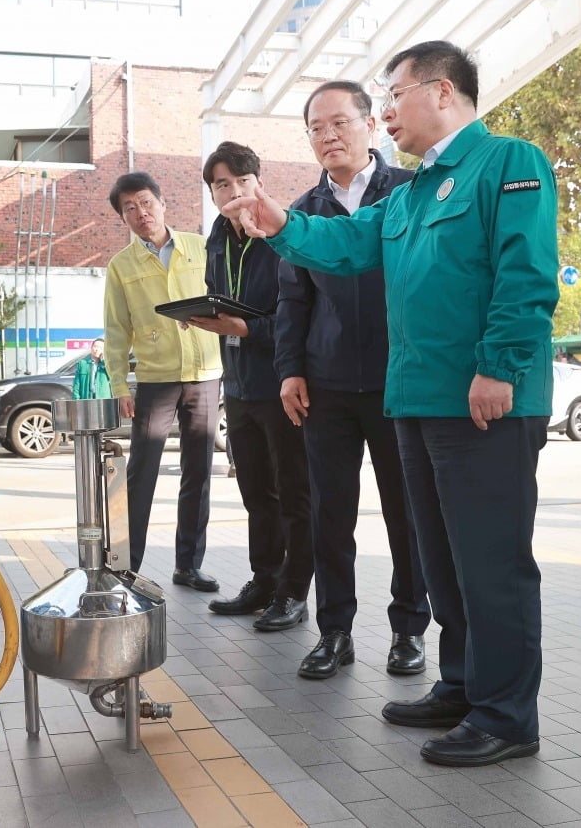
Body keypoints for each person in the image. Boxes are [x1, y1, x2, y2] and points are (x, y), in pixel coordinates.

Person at [226, 41, 559, 768]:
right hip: (416, 402)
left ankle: (507, 714)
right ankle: (464, 684)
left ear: (442, 92)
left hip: (482, 403)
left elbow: (527, 275)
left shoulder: (508, 163)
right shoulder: (407, 194)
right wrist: (283, 223)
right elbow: (343, 244)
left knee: (491, 563)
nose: (384, 112)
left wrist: (499, 366)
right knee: (444, 562)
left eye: (393, 95)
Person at [272, 81, 430, 679]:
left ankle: (408, 630)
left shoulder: (413, 195)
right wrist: (290, 370)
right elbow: (292, 302)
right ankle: (334, 631)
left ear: (370, 125)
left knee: (407, 515)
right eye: (316, 128)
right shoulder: (302, 215)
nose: (328, 135)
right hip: (328, 388)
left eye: (339, 123)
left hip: (400, 385)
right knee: (330, 517)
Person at [189, 142, 313, 632]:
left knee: (295, 494)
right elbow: (221, 297)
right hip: (237, 387)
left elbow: (297, 310)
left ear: (259, 181)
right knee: (256, 493)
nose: (234, 191)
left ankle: (294, 591)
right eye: (222, 184)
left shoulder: (282, 231)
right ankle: (265, 579)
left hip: (281, 383)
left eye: (242, 181)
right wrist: (202, 315)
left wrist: (246, 330)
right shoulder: (217, 235)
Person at [103, 172, 223, 589]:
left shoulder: (200, 246)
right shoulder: (121, 266)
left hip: (205, 375)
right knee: (141, 472)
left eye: (145, 202)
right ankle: (125, 565)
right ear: (123, 218)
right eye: (129, 209)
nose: (140, 213)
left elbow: (223, 298)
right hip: (155, 379)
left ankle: (188, 565)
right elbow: (116, 330)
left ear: (162, 201)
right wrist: (119, 385)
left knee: (199, 473)